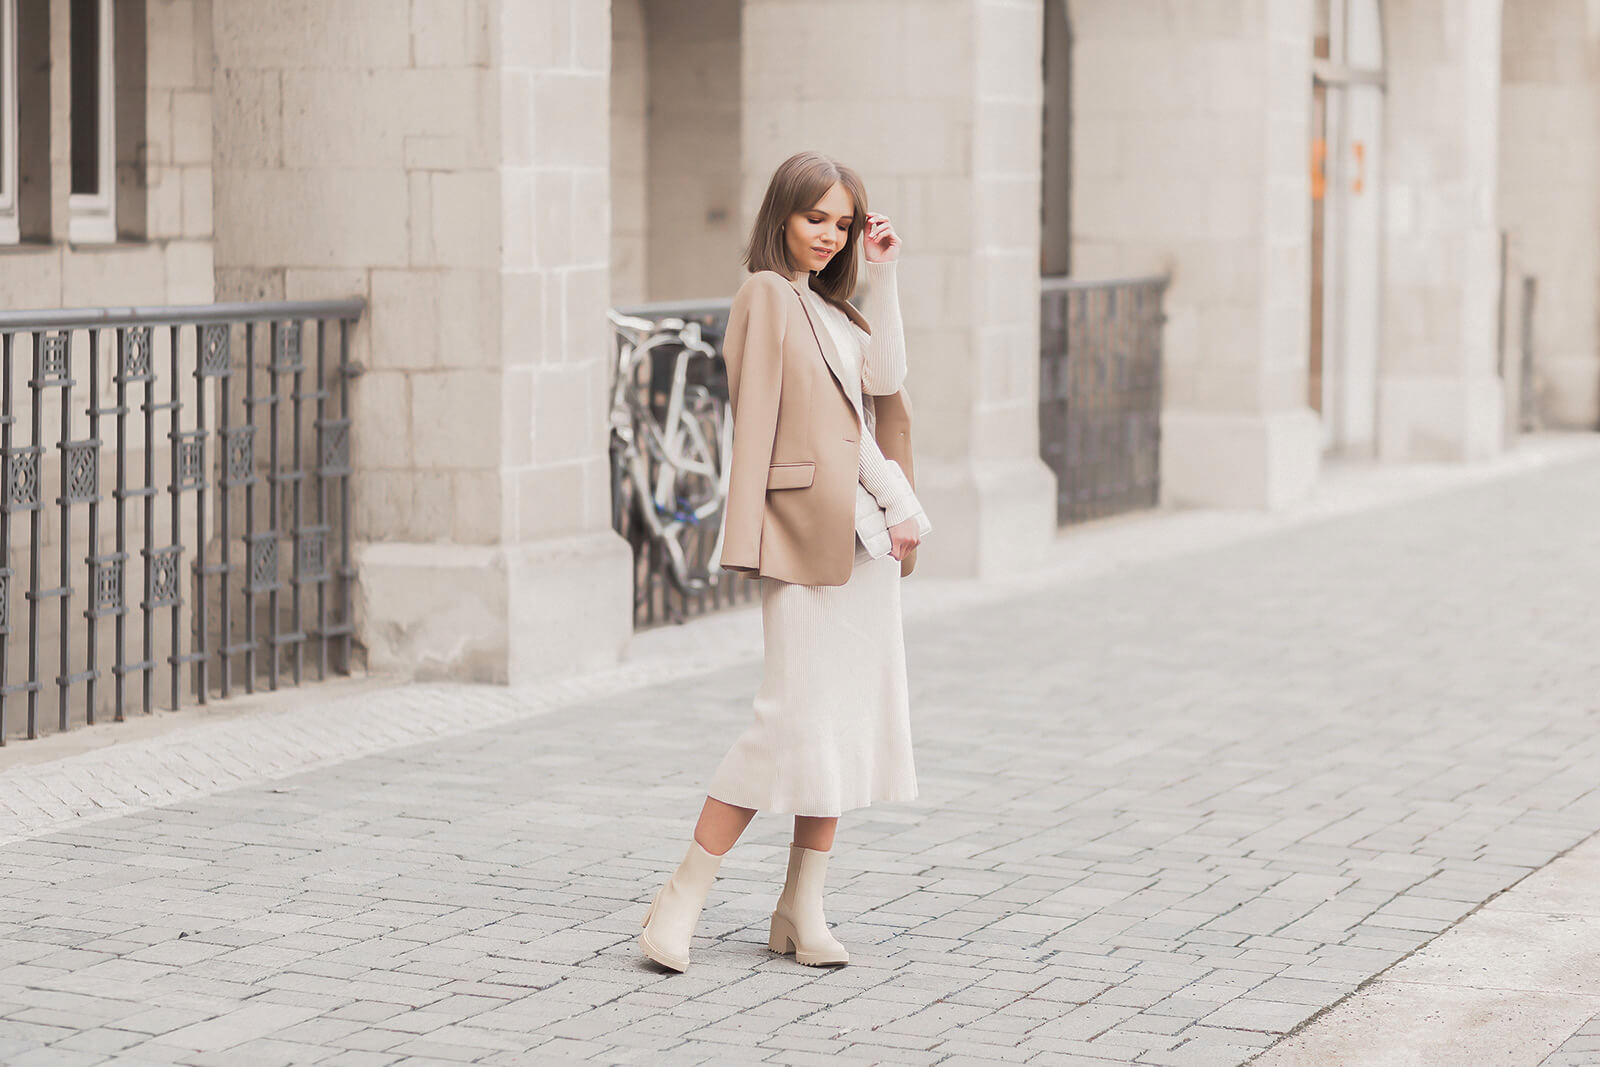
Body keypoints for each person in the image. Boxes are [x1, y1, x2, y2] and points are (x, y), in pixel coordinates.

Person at [639, 150, 933, 972]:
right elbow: (759, 418)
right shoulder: (765, 297)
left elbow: (886, 381)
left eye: (842, 224)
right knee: (787, 720)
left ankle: (802, 907)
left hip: (864, 543)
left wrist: (883, 276)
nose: (829, 235)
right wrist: (753, 537)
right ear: (783, 216)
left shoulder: (836, 312)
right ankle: (683, 893)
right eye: (816, 219)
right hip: (804, 535)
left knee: (839, 726)